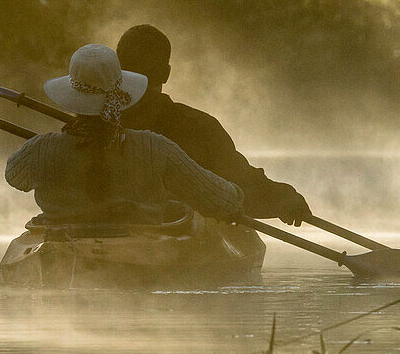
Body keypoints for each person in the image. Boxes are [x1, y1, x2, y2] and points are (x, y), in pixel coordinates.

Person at [5, 44, 244, 226]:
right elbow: (217, 198)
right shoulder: (155, 147)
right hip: (141, 249)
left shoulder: (41, 149)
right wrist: (235, 198)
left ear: (72, 99)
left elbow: (15, 177)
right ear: (120, 99)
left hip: (63, 242)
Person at [116, 24, 313, 226]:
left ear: (116, 71)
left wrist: (281, 198)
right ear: (166, 74)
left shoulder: (92, 122)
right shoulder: (198, 128)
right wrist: (284, 199)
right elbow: (240, 184)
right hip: (173, 236)